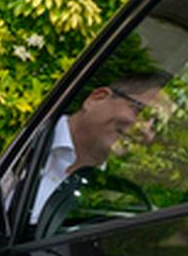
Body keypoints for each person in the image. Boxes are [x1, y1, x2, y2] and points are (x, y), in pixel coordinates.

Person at [29, 69, 169, 226]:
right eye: (140, 111)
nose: (145, 130)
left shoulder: (119, 200)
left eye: (156, 125)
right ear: (97, 98)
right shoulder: (26, 133)